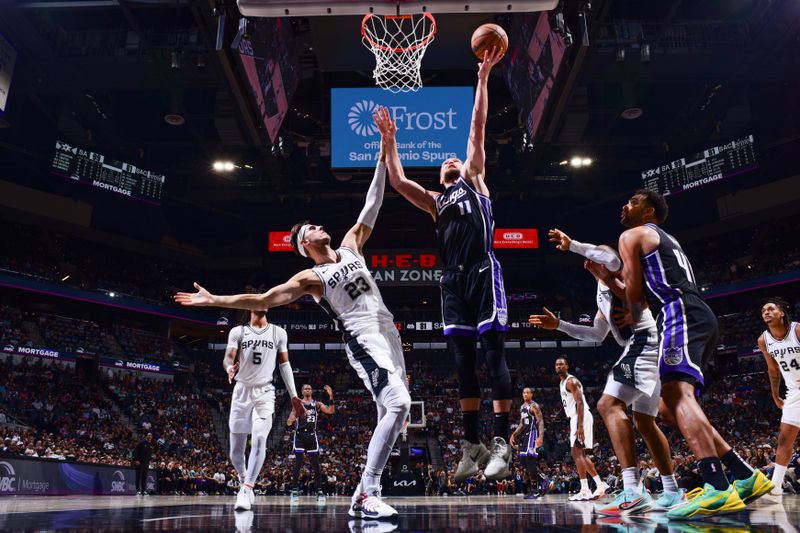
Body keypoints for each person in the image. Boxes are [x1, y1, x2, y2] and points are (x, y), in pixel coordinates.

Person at [175, 144, 411, 520]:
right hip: (364, 339)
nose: (321, 227)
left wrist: (384, 155)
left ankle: (360, 495)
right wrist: (211, 300)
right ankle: (369, 491)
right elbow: (265, 298)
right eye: (313, 228)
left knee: (396, 413)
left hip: (390, 334)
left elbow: (373, 201)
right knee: (399, 404)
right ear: (305, 244)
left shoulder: (352, 247)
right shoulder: (311, 277)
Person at [372, 47, 513, 482]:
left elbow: (477, 127)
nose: (450, 158)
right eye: (444, 160)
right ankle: (472, 445)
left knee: (492, 356)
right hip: (451, 281)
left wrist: (484, 77)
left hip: (482, 270)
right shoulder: (435, 202)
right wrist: (389, 141)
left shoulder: (474, 179)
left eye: (454, 157)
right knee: (462, 364)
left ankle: (502, 442)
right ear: (439, 175)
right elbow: (397, 180)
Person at [617, 189, 772, 518]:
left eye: (632, 202)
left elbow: (634, 293)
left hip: (680, 313)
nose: (624, 206)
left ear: (649, 212)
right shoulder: (659, 238)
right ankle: (743, 475)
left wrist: (632, 316)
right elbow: (641, 291)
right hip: (691, 312)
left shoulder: (632, 234)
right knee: (667, 407)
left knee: (675, 396)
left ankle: (717, 487)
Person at [531, 229, 685, 514]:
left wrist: (574, 245)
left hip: (644, 339)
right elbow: (597, 334)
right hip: (642, 344)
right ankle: (672, 491)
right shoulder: (602, 291)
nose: (593, 260)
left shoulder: (617, 267)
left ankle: (632, 490)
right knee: (645, 422)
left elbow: (605, 256)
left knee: (606, 404)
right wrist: (560, 326)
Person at [223, 308, 300, 511]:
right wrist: (229, 368)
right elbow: (228, 357)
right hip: (241, 391)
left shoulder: (278, 332)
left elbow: (285, 365)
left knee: (259, 439)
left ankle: (247, 488)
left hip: (265, 391)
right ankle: (243, 478)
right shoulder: (238, 332)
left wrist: (293, 395)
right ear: (249, 305)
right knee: (235, 453)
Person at [757, 298, 800, 497]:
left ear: (781, 313)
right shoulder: (763, 340)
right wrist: (775, 395)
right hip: (794, 392)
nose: (766, 312)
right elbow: (773, 370)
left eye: (771, 309)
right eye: (764, 310)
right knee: (784, 439)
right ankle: (775, 487)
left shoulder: (797, 330)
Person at [554, 357, 609, 501]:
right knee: (580, 455)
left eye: (561, 364)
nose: (559, 366)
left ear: (567, 366)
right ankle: (598, 484)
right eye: (557, 365)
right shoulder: (562, 382)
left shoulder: (571, 381)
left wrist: (580, 426)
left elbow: (580, 403)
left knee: (576, 453)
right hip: (576, 418)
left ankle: (586, 489)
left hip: (581, 417)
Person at [288, 384, 335, 501]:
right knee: (298, 463)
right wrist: (292, 418)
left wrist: (331, 397)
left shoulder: (317, 404)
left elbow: (330, 411)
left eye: (309, 388)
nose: (307, 390)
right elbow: (289, 421)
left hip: (311, 435)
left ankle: (319, 491)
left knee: (316, 465)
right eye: (305, 388)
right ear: (302, 391)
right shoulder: (298, 404)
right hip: (299, 435)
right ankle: (294, 491)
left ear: (311, 391)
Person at [509, 387, 545, 499]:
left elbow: (540, 421)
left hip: (533, 433)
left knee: (530, 460)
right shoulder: (522, 407)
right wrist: (514, 434)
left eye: (527, 392)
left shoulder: (534, 406)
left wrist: (540, 437)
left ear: (531, 394)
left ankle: (538, 487)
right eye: (524, 392)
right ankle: (540, 483)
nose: (525, 394)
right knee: (524, 462)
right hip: (526, 435)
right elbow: (522, 424)